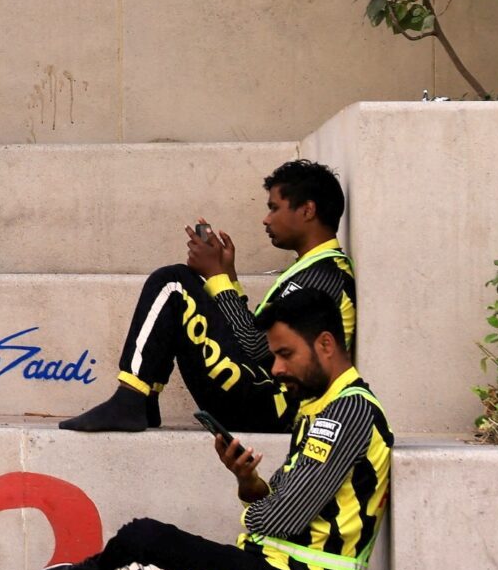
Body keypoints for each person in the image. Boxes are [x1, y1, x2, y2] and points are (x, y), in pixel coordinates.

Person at [0, 289, 390, 570]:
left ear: (326, 343)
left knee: (138, 547)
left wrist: (263, 509)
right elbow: (280, 509)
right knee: (121, 568)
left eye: (285, 354)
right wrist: (249, 481)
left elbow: (280, 519)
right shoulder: (323, 407)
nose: (276, 369)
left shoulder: (349, 412)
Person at [61, 158, 356, 435]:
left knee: (173, 283)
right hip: (267, 397)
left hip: (277, 408)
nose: (266, 219)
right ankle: (143, 401)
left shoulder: (323, 276)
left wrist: (216, 276)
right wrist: (227, 276)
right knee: (186, 283)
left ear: (307, 210)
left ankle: (130, 400)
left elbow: (255, 347)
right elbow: (263, 340)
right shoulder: (313, 269)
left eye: (274, 208)